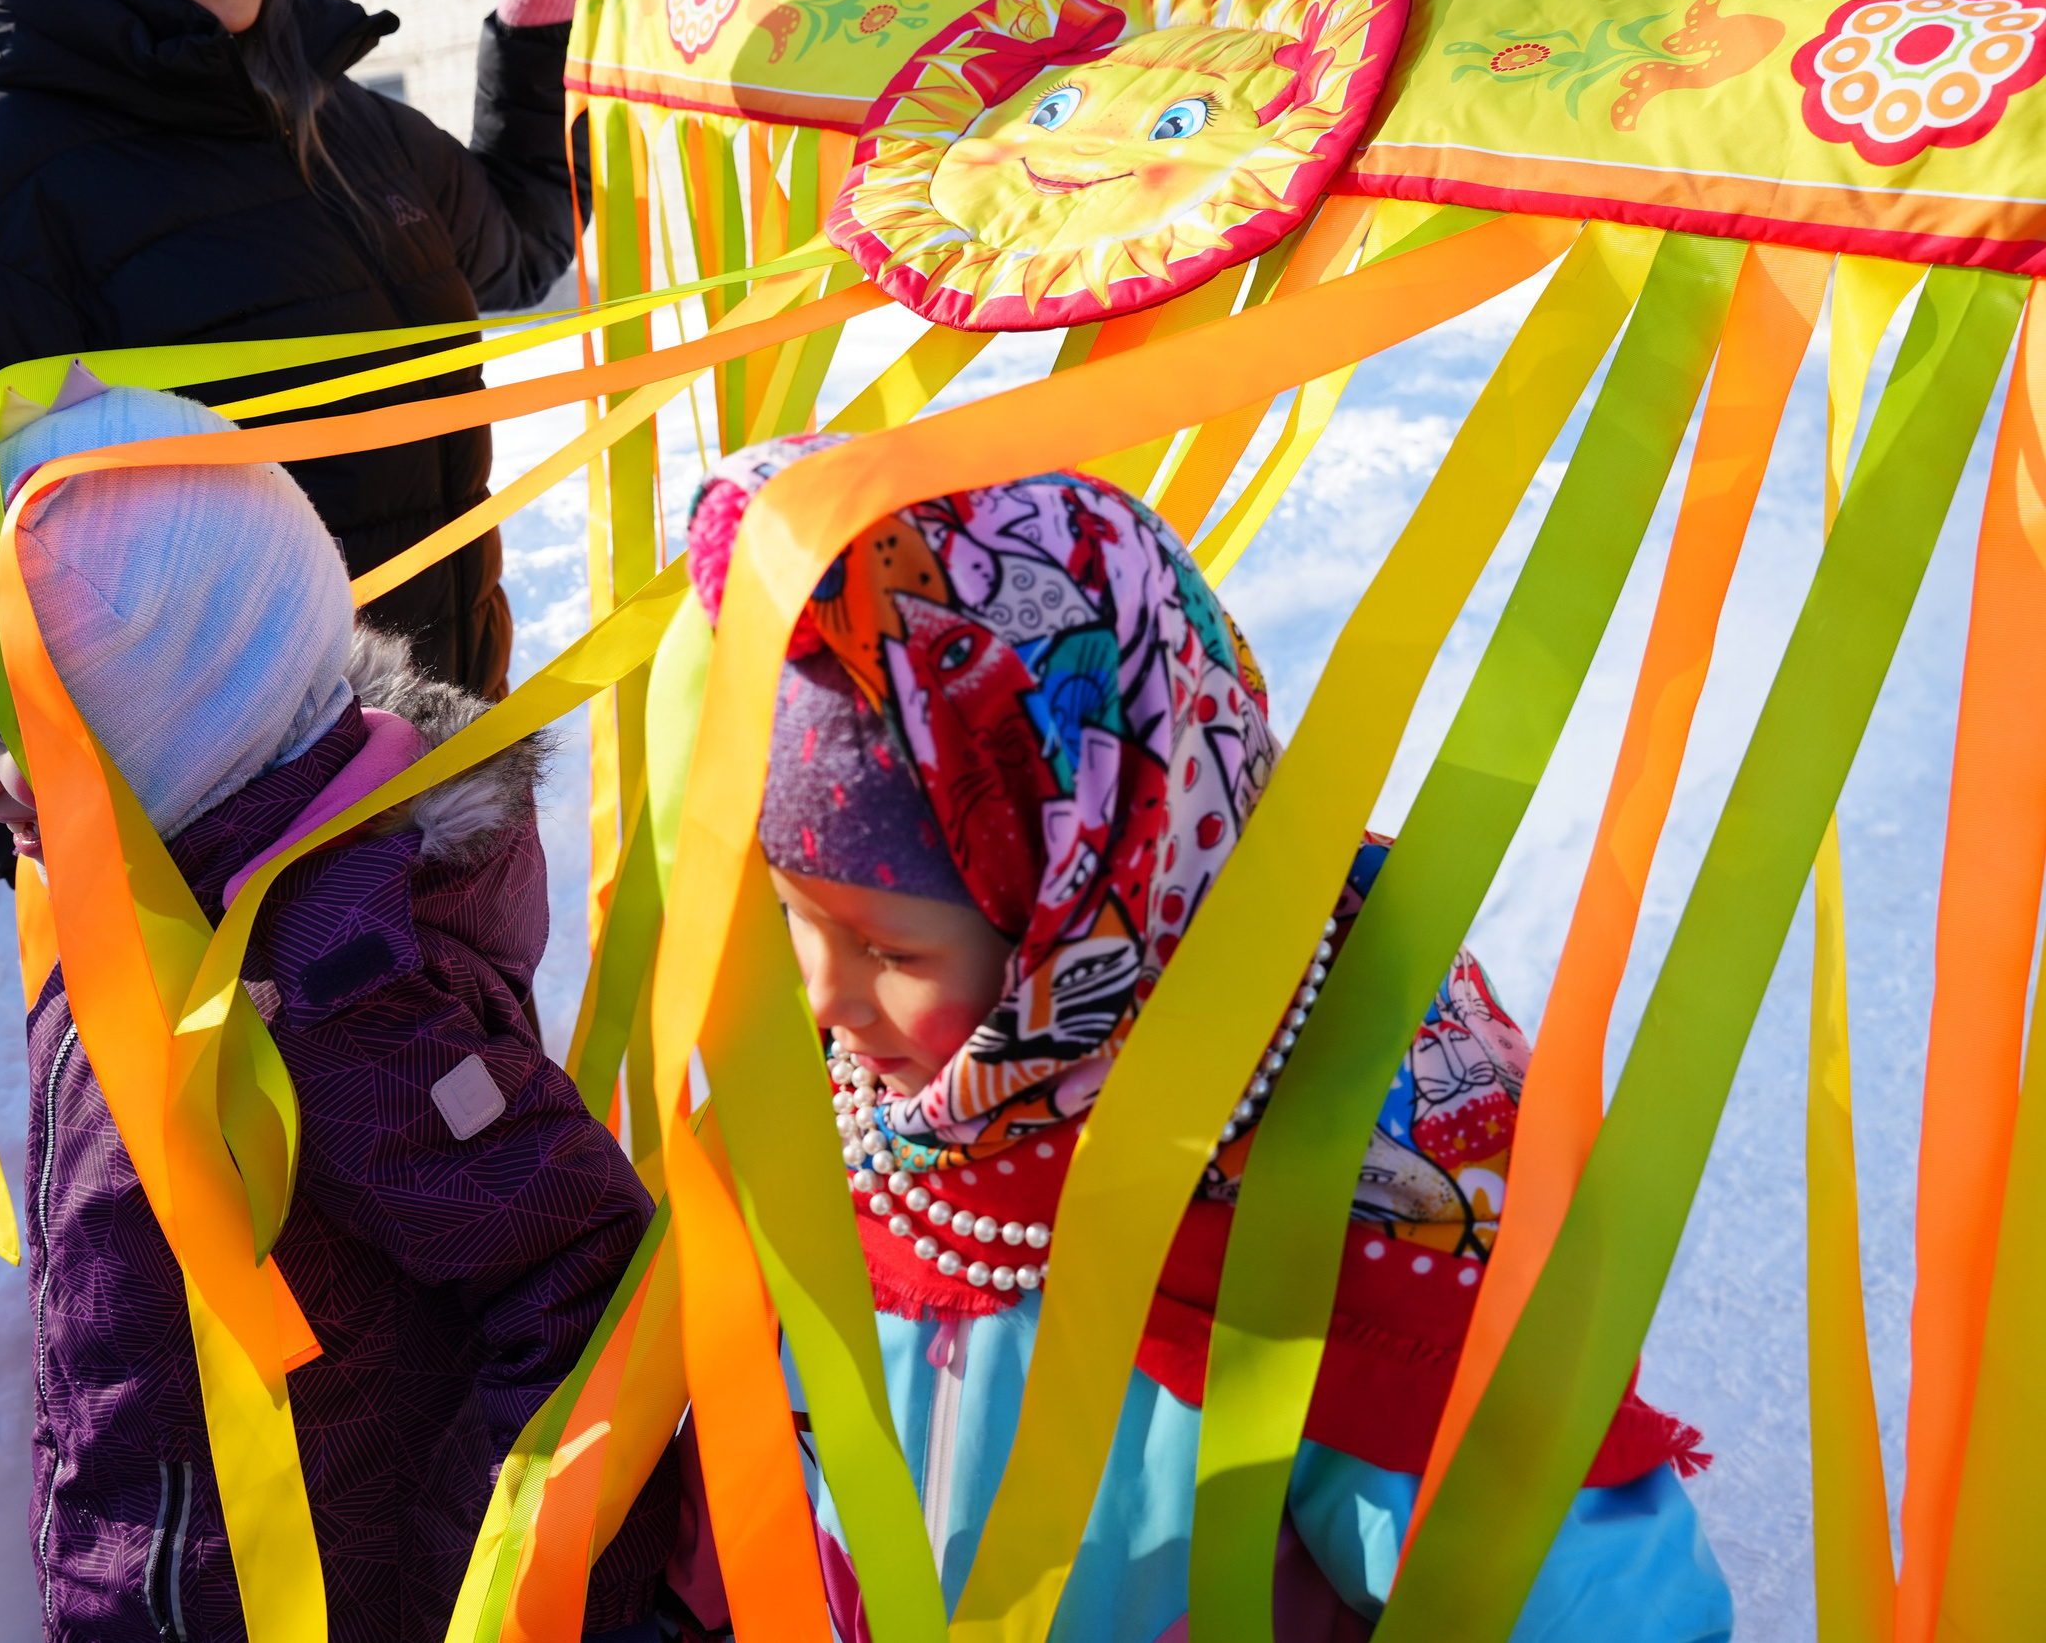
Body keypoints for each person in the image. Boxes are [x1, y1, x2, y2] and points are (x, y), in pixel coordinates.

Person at [675, 434, 1734, 1643]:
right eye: (791, 914)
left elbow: (1583, 1601)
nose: (821, 997)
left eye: (890, 950)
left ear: (1084, 905)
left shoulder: (1345, 1198)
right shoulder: (871, 1095)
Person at [0, 377, 675, 1639]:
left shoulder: (338, 990)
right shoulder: (170, 890)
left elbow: (580, 1280)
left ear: (163, 707)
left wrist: (493, 1606)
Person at [0, 0, 591, 885]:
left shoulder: (345, 122)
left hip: (441, 796)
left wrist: (537, 23)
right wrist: (93, 868)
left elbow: (520, 240)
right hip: (236, 865)